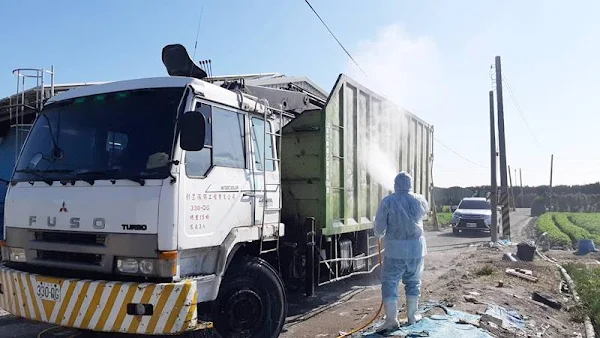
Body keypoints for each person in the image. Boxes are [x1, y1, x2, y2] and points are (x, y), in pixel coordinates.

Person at [374, 171, 429, 330]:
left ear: (395, 184)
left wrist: (379, 234)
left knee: (390, 282)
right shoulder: (420, 200)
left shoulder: (388, 201)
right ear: (410, 184)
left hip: (395, 250)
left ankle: (391, 320)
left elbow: (379, 226)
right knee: (413, 282)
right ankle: (412, 316)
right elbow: (423, 215)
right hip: (416, 250)